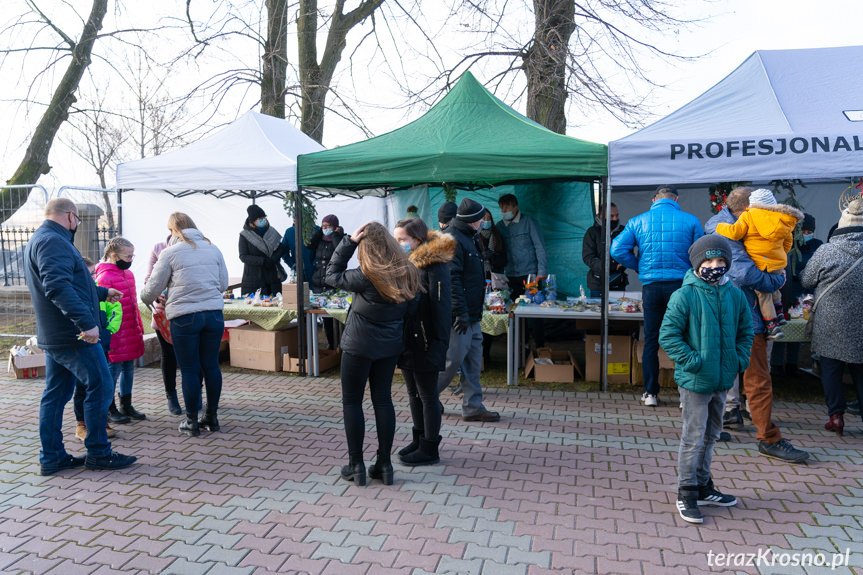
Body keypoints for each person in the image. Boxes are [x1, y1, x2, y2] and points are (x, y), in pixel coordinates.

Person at [24, 198, 137, 474]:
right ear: (71, 216)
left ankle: (52, 457)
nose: (79, 224)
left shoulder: (44, 238)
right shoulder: (53, 241)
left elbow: (73, 282)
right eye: (79, 220)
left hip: (57, 335)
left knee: (55, 394)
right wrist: (87, 324)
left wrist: (101, 292)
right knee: (100, 384)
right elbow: (57, 287)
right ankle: (99, 452)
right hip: (72, 335)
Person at [705, 187, 809, 463]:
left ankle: (714, 428)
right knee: (757, 378)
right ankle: (767, 438)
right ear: (747, 210)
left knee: (732, 373)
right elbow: (744, 273)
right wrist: (777, 279)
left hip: (734, 312)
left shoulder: (728, 225)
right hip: (741, 315)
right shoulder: (725, 229)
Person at [659, 235, 753, 524]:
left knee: (712, 436)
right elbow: (669, 336)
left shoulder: (735, 295)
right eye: (709, 260)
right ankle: (686, 492)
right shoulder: (684, 295)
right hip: (696, 381)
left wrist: (738, 360)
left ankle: (703, 485)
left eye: (721, 260)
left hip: (722, 379)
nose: (715, 266)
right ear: (698, 263)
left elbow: (745, 333)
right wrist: (694, 361)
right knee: (693, 437)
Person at [324, 222, 419, 486]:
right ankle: (385, 464)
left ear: (366, 247)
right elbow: (413, 306)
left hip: (358, 345)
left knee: (352, 402)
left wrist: (349, 242)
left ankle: (357, 465)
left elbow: (330, 275)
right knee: (383, 400)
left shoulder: (365, 274)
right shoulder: (407, 270)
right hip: (389, 346)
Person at [611, 185, 704, 406]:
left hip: (651, 287)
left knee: (651, 339)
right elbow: (701, 254)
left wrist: (639, 266)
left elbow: (616, 249)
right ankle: (685, 395)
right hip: (681, 287)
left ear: (654, 200)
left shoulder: (637, 221)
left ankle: (651, 393)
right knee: (685, 337)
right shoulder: (691, 220)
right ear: (676, 199)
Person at [141, 212, 229, 437]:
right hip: (213, 315)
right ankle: (212, 416)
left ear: (173, 230)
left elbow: (150, 291)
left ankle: (191, 421)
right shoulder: (213, 248)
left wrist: (155, 294)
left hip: (184, 316)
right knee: (211, 365)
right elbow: (222, 284)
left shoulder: (170, 253)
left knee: (189, 368)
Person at [394, 217, 454, 466]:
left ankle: (430, 447)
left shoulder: (434, 266)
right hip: (409, 339)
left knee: (428, 395)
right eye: (396, 239)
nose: (398, 244)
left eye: (402, 240)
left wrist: (439, 344)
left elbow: (442, 309)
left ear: (416, 240)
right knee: (413, 393)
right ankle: (419, 439)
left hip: (427, 341)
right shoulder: (409, 263)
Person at [800, 199, 863, 436]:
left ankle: (836, 417)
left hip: (831, 321)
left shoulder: (826, 250)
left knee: (831, 369)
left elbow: (806, 280)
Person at [438, 198, 500, 422]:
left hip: (472, 314)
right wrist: (460, 312)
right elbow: (451, 280)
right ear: (473, 221)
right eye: (481, 218)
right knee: (451, 360)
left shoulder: (470, 237)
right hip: (460, 316)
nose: (484, 221)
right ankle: (424, 396)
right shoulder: (454, 239)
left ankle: (473, 407)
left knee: (473, 362)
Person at [716, 188, 803, 340]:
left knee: (764, 295)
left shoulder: (749, 215)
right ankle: (780, 312)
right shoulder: (782, 218)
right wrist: (779, 253)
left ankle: (772, 325)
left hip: (759, 261)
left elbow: (735, 232)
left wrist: (720, 227)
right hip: (777, 262)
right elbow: (788, 241)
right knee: (774, 288)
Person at [95, 237, 146, 421]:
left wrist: (138, 325)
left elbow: (132, 304)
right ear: (114, 255)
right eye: (127, 256)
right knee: (112, 371)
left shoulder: (129, 275)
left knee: (128, 369)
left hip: (130, 330)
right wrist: (107, 331)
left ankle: (126, 405)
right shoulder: (104, 277)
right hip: (115, 333)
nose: (131, 260)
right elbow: (101, 308)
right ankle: (110, 408)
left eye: (133, 256)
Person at [73, 257, 121, 441]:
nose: (93, 278)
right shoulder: (76, 295)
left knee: (102, 384)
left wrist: (107, 333)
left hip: (101, 343)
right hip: (83, 345)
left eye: (94, 274)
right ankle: (82, 424)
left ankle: (100, 421)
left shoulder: (96, 293)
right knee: (83, 386)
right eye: (89, 274)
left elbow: (112, 312)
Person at [771, 213, 822, 377]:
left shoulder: (817, 245)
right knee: (783, 328)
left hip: (807, 296)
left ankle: (793, 365)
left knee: (799, 333)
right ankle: (777, 365)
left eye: (809, 231)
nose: (807, 235)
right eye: (804, 231)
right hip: (787, 293)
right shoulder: (788, 245)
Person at [496, 193, 547, 346]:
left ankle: (540, 347)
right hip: (511, 276)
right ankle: (521, 346)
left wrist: (541, 272)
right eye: (502, 208)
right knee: (516, 312)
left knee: (536, 312)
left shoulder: (529, 222)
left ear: (516, 207)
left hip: (531, 275)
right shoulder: (499, 226)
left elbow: (540, 247)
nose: (504, 211)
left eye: (507, 207)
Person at [146, 235, 183, 415]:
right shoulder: (159, 247)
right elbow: (149, 279)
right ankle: (171, 395)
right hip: (164, 312)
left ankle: (195, 393)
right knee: (168, 355)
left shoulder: (196, 248)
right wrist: (157, 293)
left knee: (192, 355)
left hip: (187, 309)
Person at [308, 214, 345, 349]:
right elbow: (309, 245)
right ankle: (331, 345)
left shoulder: (341, 238)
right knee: (326, 318)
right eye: (323, 226)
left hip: (333, 282)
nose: (325, 229)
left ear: (335, 227)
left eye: (328, 226)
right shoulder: (320, 239)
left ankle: (340, 345)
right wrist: (319, 231)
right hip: (319, 280)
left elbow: (339, 249)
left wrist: (335, 234)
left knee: (336, 316)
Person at [477, 208, 506, 365]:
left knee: (492, 315)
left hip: (495, 284)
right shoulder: (476, 237)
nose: (486, 221)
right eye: (483, 218)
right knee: (481, 318)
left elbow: (504, 260)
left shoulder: (497, 236)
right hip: (480, 281)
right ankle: (480, 355)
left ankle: (487, 353)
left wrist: (494, 257)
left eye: (488, 218)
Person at [582, 202, 628, 298]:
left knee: (620, 311)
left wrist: (623, 263)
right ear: (602, 216)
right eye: (611, 216)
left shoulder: (624, 231)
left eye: (617, 215)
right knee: (598, 311)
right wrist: (607, 266)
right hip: (597, 284)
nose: (615, 219)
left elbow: (629, 252)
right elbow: (588, 257)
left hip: (618, 282)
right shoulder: (592, 232)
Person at [239, 204, 285, 296]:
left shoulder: (271, 231)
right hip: (254, 279)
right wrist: (262, 261)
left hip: (272, 277)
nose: (263, 220)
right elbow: (243, 256)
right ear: (253, 221)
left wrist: (272, 259)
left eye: (264, 217)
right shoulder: (245, 235)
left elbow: (280, 248)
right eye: (260, 219)